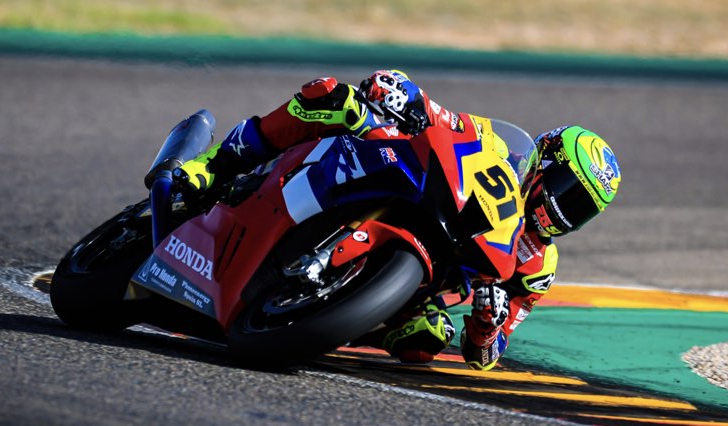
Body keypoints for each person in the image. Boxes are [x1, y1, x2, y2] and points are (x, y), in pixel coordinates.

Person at [173, 70, 622, 370]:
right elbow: (447, 122)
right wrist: (404, 92)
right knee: (335, 98)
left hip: (424, 280)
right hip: (412, 189)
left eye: (580, 209)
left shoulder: (539, 267)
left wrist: (488, 324)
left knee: (427, 337)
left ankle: (329, 317)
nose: (563, 212)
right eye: (567, 192)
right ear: (545, 162)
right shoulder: (502, 148)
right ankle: (216, 165)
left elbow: (485, 356)